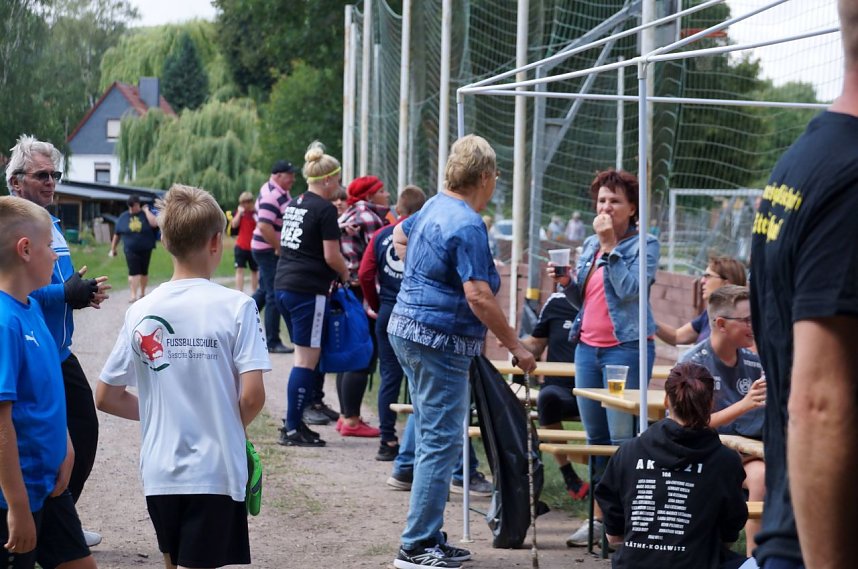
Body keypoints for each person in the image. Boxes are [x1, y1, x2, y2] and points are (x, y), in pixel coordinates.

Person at [96, 184, 269, 569]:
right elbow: (253, 396)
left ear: (163, 239)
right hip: (215, 469)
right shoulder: (238, 307)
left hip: (160, 470)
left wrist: (167, 413)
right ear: (215, 242)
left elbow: (106, 395)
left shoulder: (141, 310)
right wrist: (219, 422)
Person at [387, 134, 536, 569]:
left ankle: (428, 534)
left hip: (407, 330)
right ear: (486, 176)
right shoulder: (469, 222)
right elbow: (479, 296)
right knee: (440, 442)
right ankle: (416, 546)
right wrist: (516, 345)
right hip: (441, 341)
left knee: (435, 434)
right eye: (496, 178)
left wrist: (422, 280)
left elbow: (399, 235)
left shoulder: (433, 205)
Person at [750, 4, 858, 567]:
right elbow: (820, 404)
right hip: (822, 544)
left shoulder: (800, 162)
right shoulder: (852, 176)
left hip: (795, 528)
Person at [6, 135, 109, 552]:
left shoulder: (50, 222)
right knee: (45, 439)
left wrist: (81, 293)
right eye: (42, 175)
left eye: (56, 174)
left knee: (81, 436)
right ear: (16, 181)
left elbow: (55, 284)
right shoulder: (13, 225)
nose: (51, 182)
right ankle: (44, 523)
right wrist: (65, 293)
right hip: (31, 349)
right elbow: (17, 290)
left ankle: (60, 519)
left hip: (58, 350)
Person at [548, 168, 660, 547]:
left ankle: (624, 524)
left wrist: (611, 246)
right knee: (596, 440)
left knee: (622, 441)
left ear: (632, 209)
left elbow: (629, 291)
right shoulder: (591, 247)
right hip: (587, 349)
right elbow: (585, 300)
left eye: (615, 201)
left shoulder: (645, 244)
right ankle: (598, 520)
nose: (606, 207)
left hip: (626, 348)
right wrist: (566, 284)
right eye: (601, 201)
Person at [594, 362, 749, 569]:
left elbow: (614, 536)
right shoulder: (725, 461)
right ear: (711, 403)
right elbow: (729, 532)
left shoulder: (628, 452)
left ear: (666, 401)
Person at [274, 141, 350, 447]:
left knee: (300, 357)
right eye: (339, 180)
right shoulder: (325, 209)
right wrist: (345, 274)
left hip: (284, 284)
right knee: (306, 360)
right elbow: (331, 256)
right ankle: (292, 427)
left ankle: (294, 423)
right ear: (328, 179)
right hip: (308, 290)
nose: (340, 186)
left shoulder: (295, 203)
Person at [680, 285, 766, 557]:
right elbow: (686, 425)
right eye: (747, 320)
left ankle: (762, 558)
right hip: (701, 452)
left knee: (773, 473)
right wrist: (744, 405)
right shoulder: (693, 365)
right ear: (720, 324)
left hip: (747, 450)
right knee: (760, 475)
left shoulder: (755, 361)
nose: (754, 325)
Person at [359, 184, 427, 459]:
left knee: (389, 376)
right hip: (416, 313)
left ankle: (387, 440)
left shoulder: (381, 235)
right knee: (419, 379)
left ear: (398, 209)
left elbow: (365, 274)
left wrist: (376, 305)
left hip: (387, 310)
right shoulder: (424, 236)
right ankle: (417, 442)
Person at [335, 175, 391, 437]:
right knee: (363, 355)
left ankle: (346, 415)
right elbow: (377, 256)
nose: (387, 195)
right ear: (369, 196)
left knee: (350, 354)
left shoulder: (349, 213)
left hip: (348, 289)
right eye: (381, 191)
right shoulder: (368, 217)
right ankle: (353, 421)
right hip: (363, 292)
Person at [519, 291, 589, 500]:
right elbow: (537, 344)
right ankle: (570, 477)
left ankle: (603, 486)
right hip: (560, 388)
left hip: (595, 388)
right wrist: (514, 342)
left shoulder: (609, 302)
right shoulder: (557, 301)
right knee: (546, 398)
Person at [251, 160, 296, 354]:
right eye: (290, 175)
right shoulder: (271, 195)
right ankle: (272, 341)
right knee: (273, 295)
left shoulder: (277, 190)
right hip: (268, 250)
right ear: (278, 175)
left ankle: (238, 317)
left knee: (264, 291)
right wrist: (279, 248)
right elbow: (264, 226)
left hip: (265, 248)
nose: (293, 179)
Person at [657, 255, 747, 346]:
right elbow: (677, 336)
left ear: (727, 283)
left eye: (708, 276)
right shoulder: (709, 314)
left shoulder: (744, 319)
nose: (702, 281)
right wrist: (647, 320)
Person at [109, 195, 158, 302]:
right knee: (133, 272)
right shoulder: (123, 217)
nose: (132, 209)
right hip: (130, 250)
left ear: (138, 204)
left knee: (144, 272)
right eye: (130, 207)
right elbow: (117, 235)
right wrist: (113, 249)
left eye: (134, 206)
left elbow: (154, 223)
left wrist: (146, 211)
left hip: (146, 248)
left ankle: (142, 293)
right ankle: (133, 295)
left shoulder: (145, 214)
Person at [231, 191, 259, 293]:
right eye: (242, 202)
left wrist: (255, 211)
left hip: (253, 247)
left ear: (251, 202)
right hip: (241, 246)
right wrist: (239, 212)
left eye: (247, 202)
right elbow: (234, 225)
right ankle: (239, 292)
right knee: (239, 270)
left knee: (255, 271)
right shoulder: (240, 214)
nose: (244, 205)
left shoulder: (256, 213)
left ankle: (254, 293)